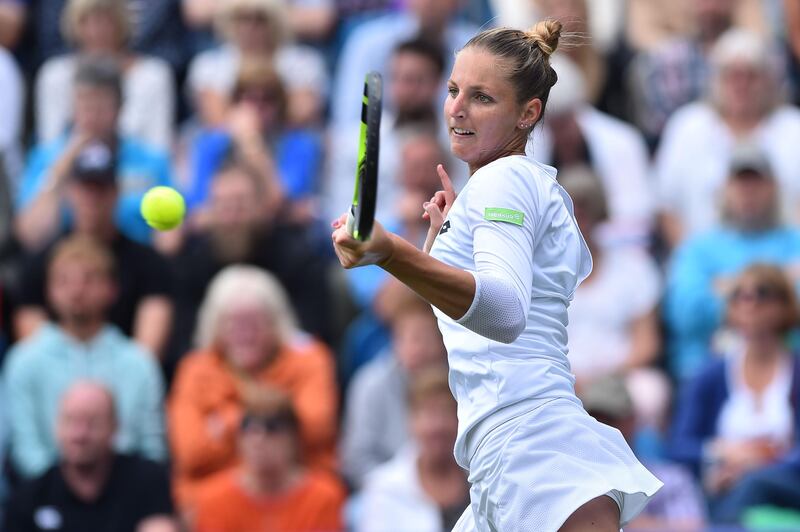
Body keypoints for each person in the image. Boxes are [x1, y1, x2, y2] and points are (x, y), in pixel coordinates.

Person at [332, 19, 662, 531]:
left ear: (528, 113)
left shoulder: (504, 182)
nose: (457, 108)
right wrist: (442, 246)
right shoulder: (514, 186)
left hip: (535, 450)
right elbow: (482, 315)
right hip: (506, 455)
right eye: (453, 89)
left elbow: (505, 313)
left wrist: (391, 251)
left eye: (482, 97)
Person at [168, 265, 337, 513]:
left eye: (254, 321)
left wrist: (223, 423)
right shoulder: (195, 369)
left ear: (276, 323)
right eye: (233, 322)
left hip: (297, 497)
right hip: (211, 505)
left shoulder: (310, 359)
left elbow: (315, 427)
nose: (245, 333)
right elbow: (191, 451)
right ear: (215, 326)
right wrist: (271, 419)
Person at [2, 235, 167, 478]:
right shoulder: (23, 361)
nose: (76, 291)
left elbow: (152, 449)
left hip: (126, 497)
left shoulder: (138, 363)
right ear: (49, 291)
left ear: (112, 290)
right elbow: (24, 448)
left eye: (89, 279)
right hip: (46, 497)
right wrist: (68, 492)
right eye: (64, 281)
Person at [12, 138, 174, 359]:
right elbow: (34, 357)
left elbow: (146, 359)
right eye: (85, 188)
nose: (92, 199)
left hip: (123, 382)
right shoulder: (39, 264)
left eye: (100, 189)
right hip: (57, 386)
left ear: (116, 193)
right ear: (69, 192)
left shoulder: (149, 263)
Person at [165, 161, 331, 373]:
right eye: (222, 205)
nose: (231, 217)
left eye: (240, 205)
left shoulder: (298, 258)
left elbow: (312, 339)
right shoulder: (192, 262)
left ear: (262, 208)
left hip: (284, 379)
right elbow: (185, 347)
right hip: (214, 382)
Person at [669, 263, 800, 523]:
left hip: (787, 485)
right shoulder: (710, 375)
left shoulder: (795, 370)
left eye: (762, 293)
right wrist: (721, 452)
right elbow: (679, 446)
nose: (749, 303)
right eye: (738, 294)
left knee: (752, 484)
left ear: (785, 305)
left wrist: (760, 462)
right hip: (724, 483)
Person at [664, 144, 800, 380]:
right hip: (709, 369)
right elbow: (685, 312)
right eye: (740, 183)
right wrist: (778, 285)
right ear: (725, 189)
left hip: (790, 368)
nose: (748, 192)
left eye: (756, 183)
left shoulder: (794, 242)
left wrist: (728, 288)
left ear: (774, 188)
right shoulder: (698, 248)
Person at [655, 28, 800, 248]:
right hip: (704, 264)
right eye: (731, 75)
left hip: (783, 263)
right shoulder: (687, 126)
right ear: (715, 80)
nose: (741, 85)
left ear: (768, 80)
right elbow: (666, 208)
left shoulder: (793, 128)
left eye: (751, 75)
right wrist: (696, 261)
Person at [15, 56, 174, 249]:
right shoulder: (46, 158)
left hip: (133, 263)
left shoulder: (150, 161)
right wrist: (62, 168)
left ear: (119, 108)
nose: (93, 116)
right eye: (86, 105)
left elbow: (170, 237)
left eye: (102, 106)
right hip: (67, 263)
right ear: (73, 107)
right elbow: (31, 235)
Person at [558, 166, 669, 433]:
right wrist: (570, 379)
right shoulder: (537, 272)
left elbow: (647, 343)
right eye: (572, 209)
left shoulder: (634, 268)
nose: (579, 218)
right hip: (559, 380)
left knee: (650, 393)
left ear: (599, 212)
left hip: (621, 379)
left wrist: (605, 378)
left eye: (586, 208)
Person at [3, 381, 176, 532]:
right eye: (70, 421)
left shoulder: (147, 480)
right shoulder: (30, 498)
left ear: (114, 427)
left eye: (93, 422)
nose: (80, 434)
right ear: (56, 426)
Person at [192, 386, 346, 532]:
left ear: (293, 438)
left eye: (272, 427)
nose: (258, 438)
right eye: (247, 426)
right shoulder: (214, 500)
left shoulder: (322, 498)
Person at [340, 289, 447, 488]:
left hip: (451, 488)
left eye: (427, 338)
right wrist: (401, 489)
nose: (418, 349)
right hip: (387, 492)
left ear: (443, 341)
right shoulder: (369, 384)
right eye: (409, 338)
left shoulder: (459, 384)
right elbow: (356, 459)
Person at [35, 0, 175, 150]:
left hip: (136, 171)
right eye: (87, 21)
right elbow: (48, 148)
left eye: (106, 21)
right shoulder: (54, 75)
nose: (96, 31)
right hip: (69, 170)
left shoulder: (153, 75)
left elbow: (159, 149)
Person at [579, 375, 707, 531]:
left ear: (632, 420)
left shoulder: (673, 481)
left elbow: (692, 529)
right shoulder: (570, 483)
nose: (601, 427)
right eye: (593, 419)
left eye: (610, 419)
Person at [356, 365, 470, 532]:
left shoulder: (482, 479)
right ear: (411, 420)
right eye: (428, 413)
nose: (437, 426)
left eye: (446, 412)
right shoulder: (384, 489)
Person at [186, 0, 329, 128]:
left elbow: (301, 115)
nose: (250, 27)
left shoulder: (303, 62)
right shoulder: (209, 65)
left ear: (275, 21)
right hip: (231, 146)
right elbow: (215, 118)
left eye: (260, 18)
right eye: (242, 18)